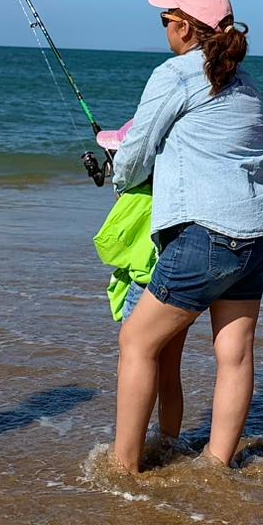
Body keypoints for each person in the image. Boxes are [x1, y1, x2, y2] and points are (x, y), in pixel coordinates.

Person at [110, 0, 263, 472]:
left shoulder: (175, 73)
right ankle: (216, 467)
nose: (164, 27)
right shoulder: (245, 81)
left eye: (165, 20)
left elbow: (136, 152)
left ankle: (123, 470)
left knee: (137, 342)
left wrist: (117, 176)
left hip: (209, 234)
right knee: (235, 353)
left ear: (185, 27)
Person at [92, 121, 183, 447]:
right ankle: (169, 442)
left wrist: (122, 196)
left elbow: (108, 246)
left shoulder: (134, 198)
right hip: (178, 286)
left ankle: (131, 447)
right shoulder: (175, 196)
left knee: (135, 360)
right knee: (169, 371)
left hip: (144, 291)